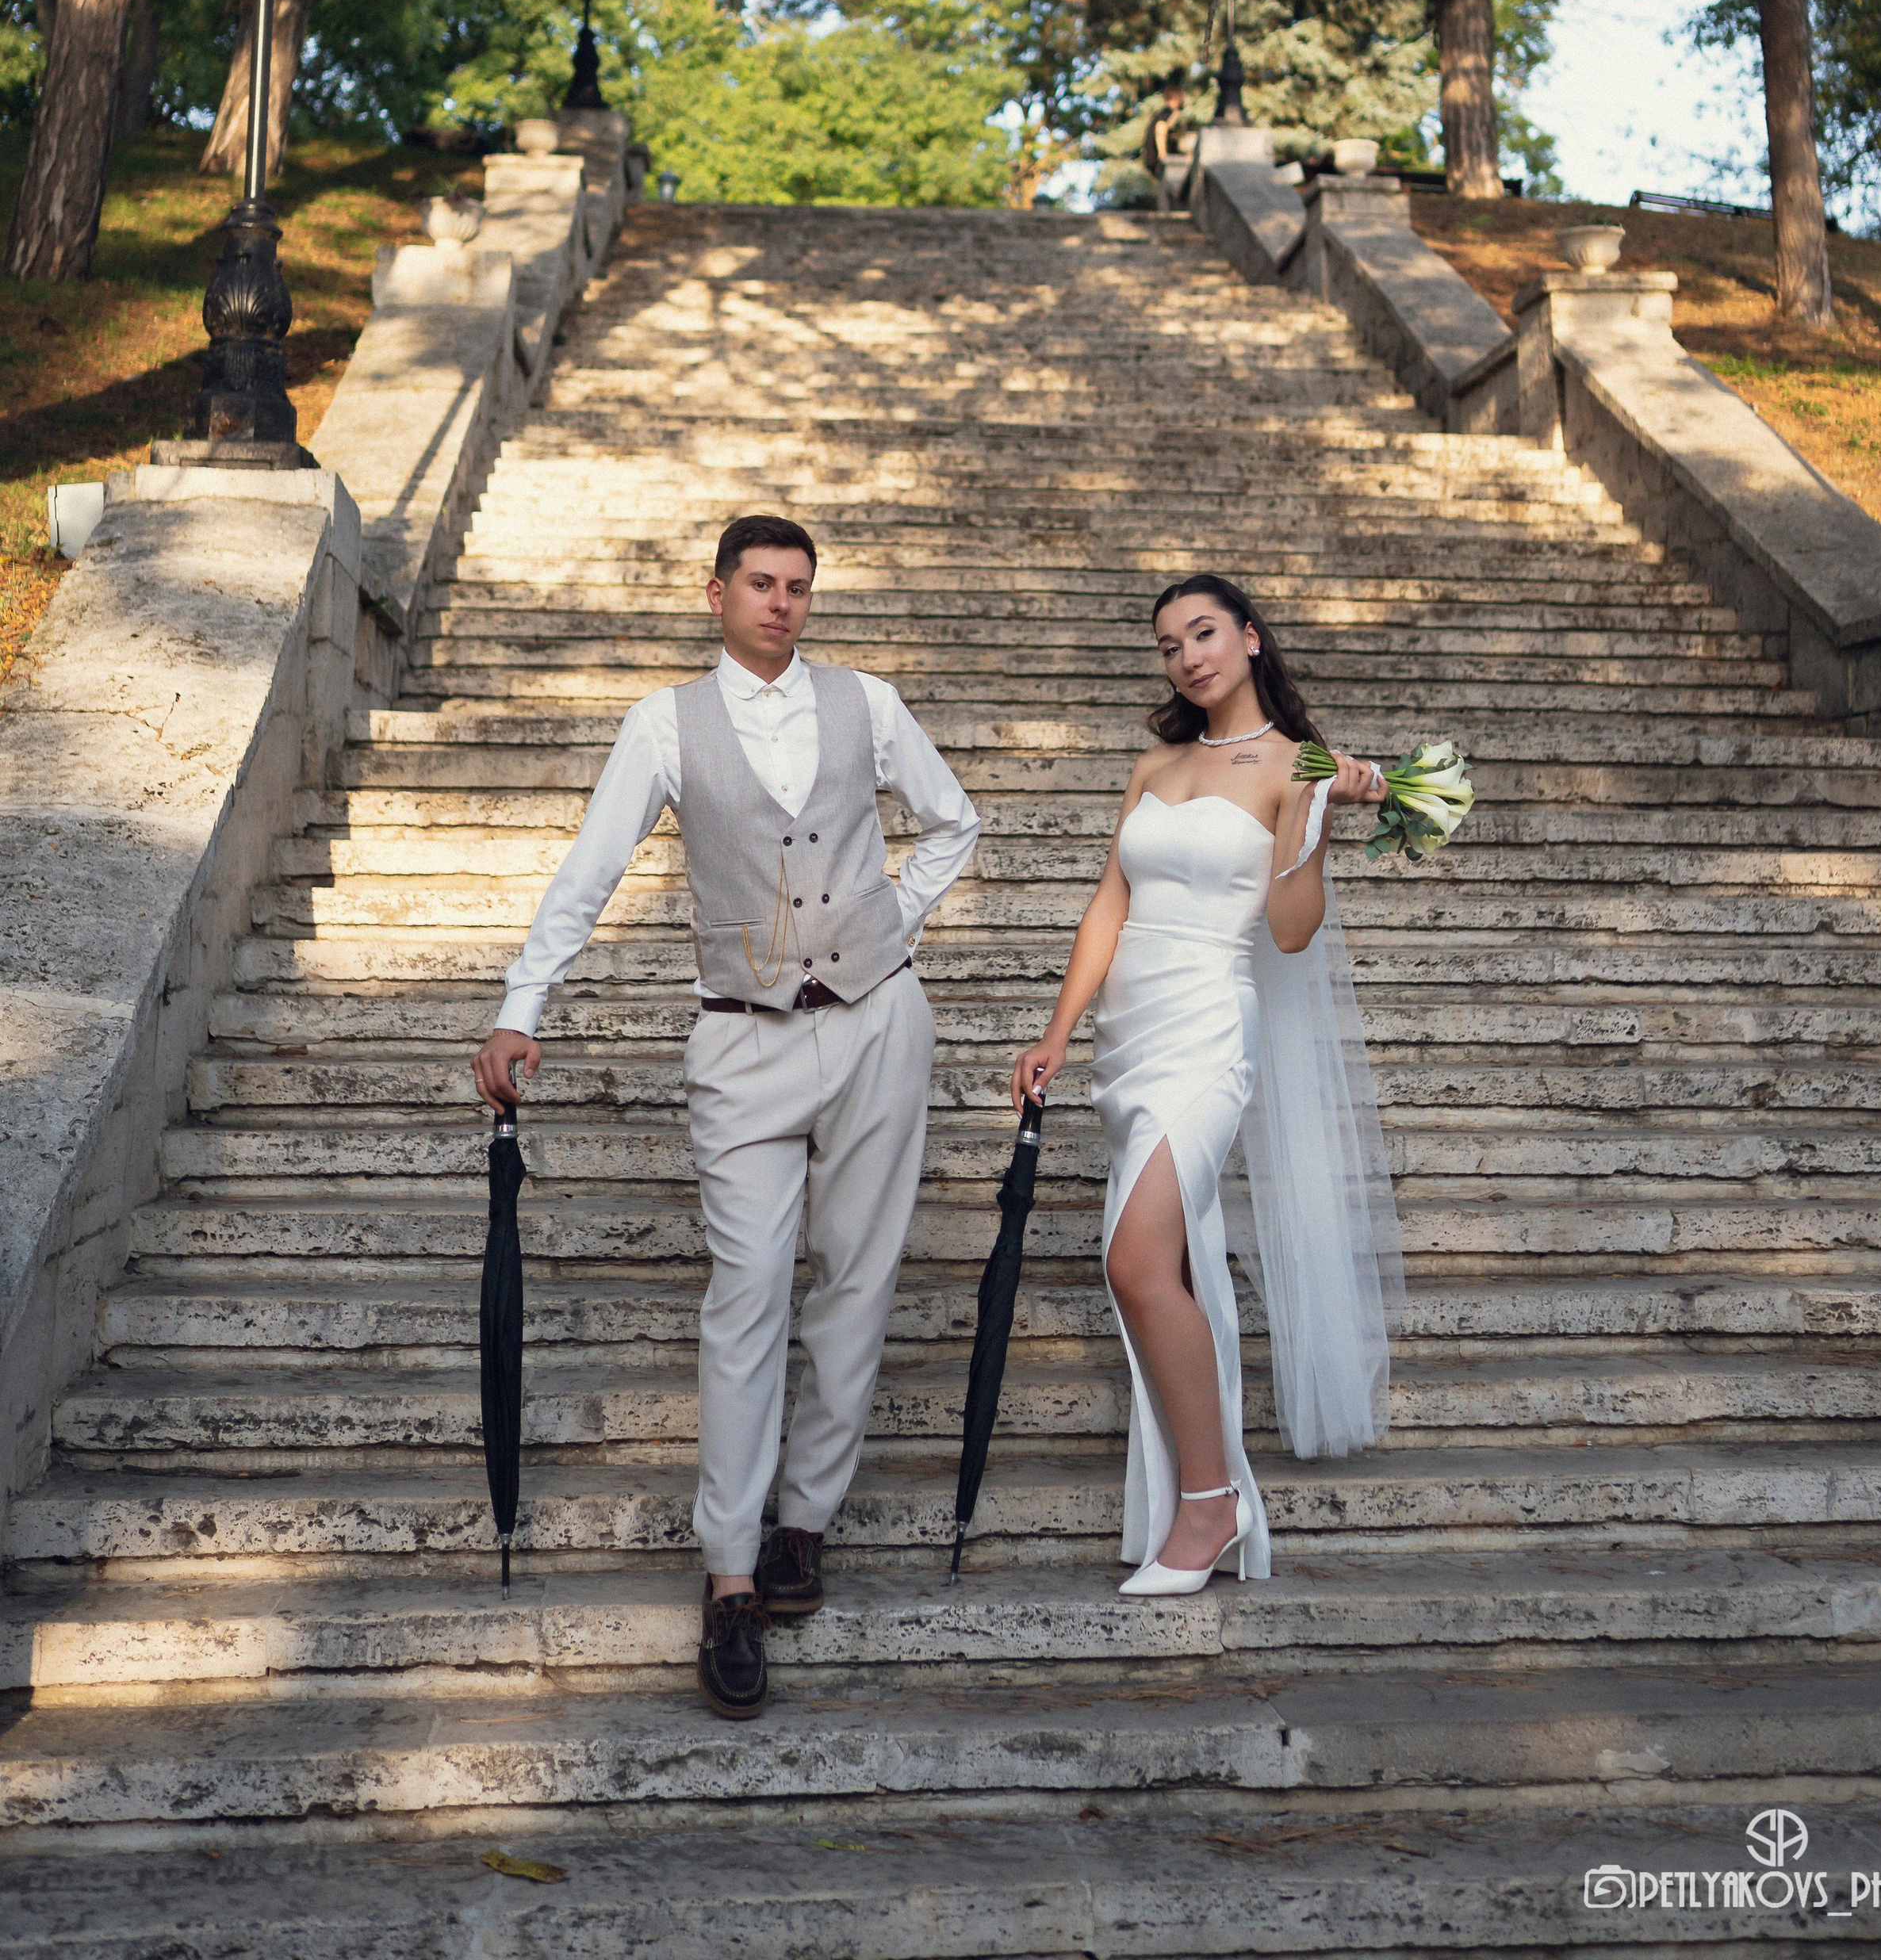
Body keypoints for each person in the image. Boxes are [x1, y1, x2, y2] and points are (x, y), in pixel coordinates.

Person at [473, 515, 979, 1718]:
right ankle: (730, 1576)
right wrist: (519, 1007)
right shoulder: (665, 724)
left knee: (857, 1275)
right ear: (715, 595)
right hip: (741, 1039)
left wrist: (889, 924)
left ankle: (804, 1519)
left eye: (800, 587)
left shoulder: (869, 703)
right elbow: (589, 870)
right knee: (748, 1287)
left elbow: (955, 822)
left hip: (877, 1023)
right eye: (761, 584)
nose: (782, 604)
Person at [1011, 572, 1402, 1593]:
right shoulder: (1155, 764)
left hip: (1207, 1031)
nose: (1188, 655)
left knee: (1137, 1265)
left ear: (1251, 640)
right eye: (1169, 643)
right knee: (1161, 1271)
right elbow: (1109, 907)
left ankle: (1209, 1503)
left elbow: (1289, 930)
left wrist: (1314, 816)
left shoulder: (1296, 766)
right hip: (1127, 1040)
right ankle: (1201, 1491)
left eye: (1205, 633)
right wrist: (1057, 1034)